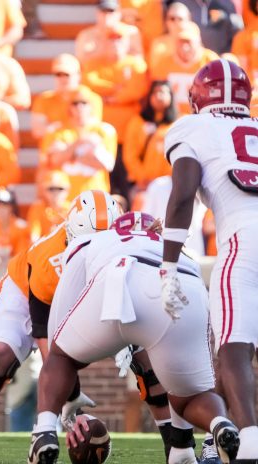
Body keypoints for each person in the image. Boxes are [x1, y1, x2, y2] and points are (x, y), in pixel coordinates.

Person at [28, 211, 240, 464]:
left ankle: (44, 431)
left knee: (61, 355)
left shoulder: (92, 241)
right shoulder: (181, 253)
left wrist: (68, 392)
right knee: (190, 393)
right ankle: (215, 426)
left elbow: (57, 328)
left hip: (122, 278)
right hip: (185, 286)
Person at [0, 190, 119, 464]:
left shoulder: (124, 246)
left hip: (80, 296)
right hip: (24, 291)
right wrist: (71, 395)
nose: (93, 254)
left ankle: (178, 446)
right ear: (71, 233)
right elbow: (48, 345)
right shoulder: (48, 260)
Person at [162, 58, 258, 461]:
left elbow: (183, 193)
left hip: (244, 238)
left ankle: (250, 444)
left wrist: (168, 266)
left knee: (233, 350)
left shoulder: (193, 126)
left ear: (197, 97)